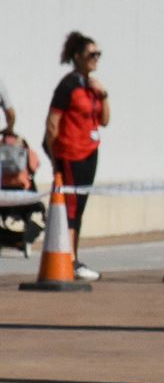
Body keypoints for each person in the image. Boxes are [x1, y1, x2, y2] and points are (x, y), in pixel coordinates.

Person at [44, 31, 110, 282]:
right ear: (78, 56)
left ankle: (73, 257)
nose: (96, 58)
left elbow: (104, 120)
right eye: (92, 54)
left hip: (90, 153)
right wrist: (55, 160)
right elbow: (52, 125)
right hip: (70, 153)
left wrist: (104, 94)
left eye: (98, 54)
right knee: (70, 209)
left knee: (78, 209)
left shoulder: (91, 87)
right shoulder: (68, 85)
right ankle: (69, 260)